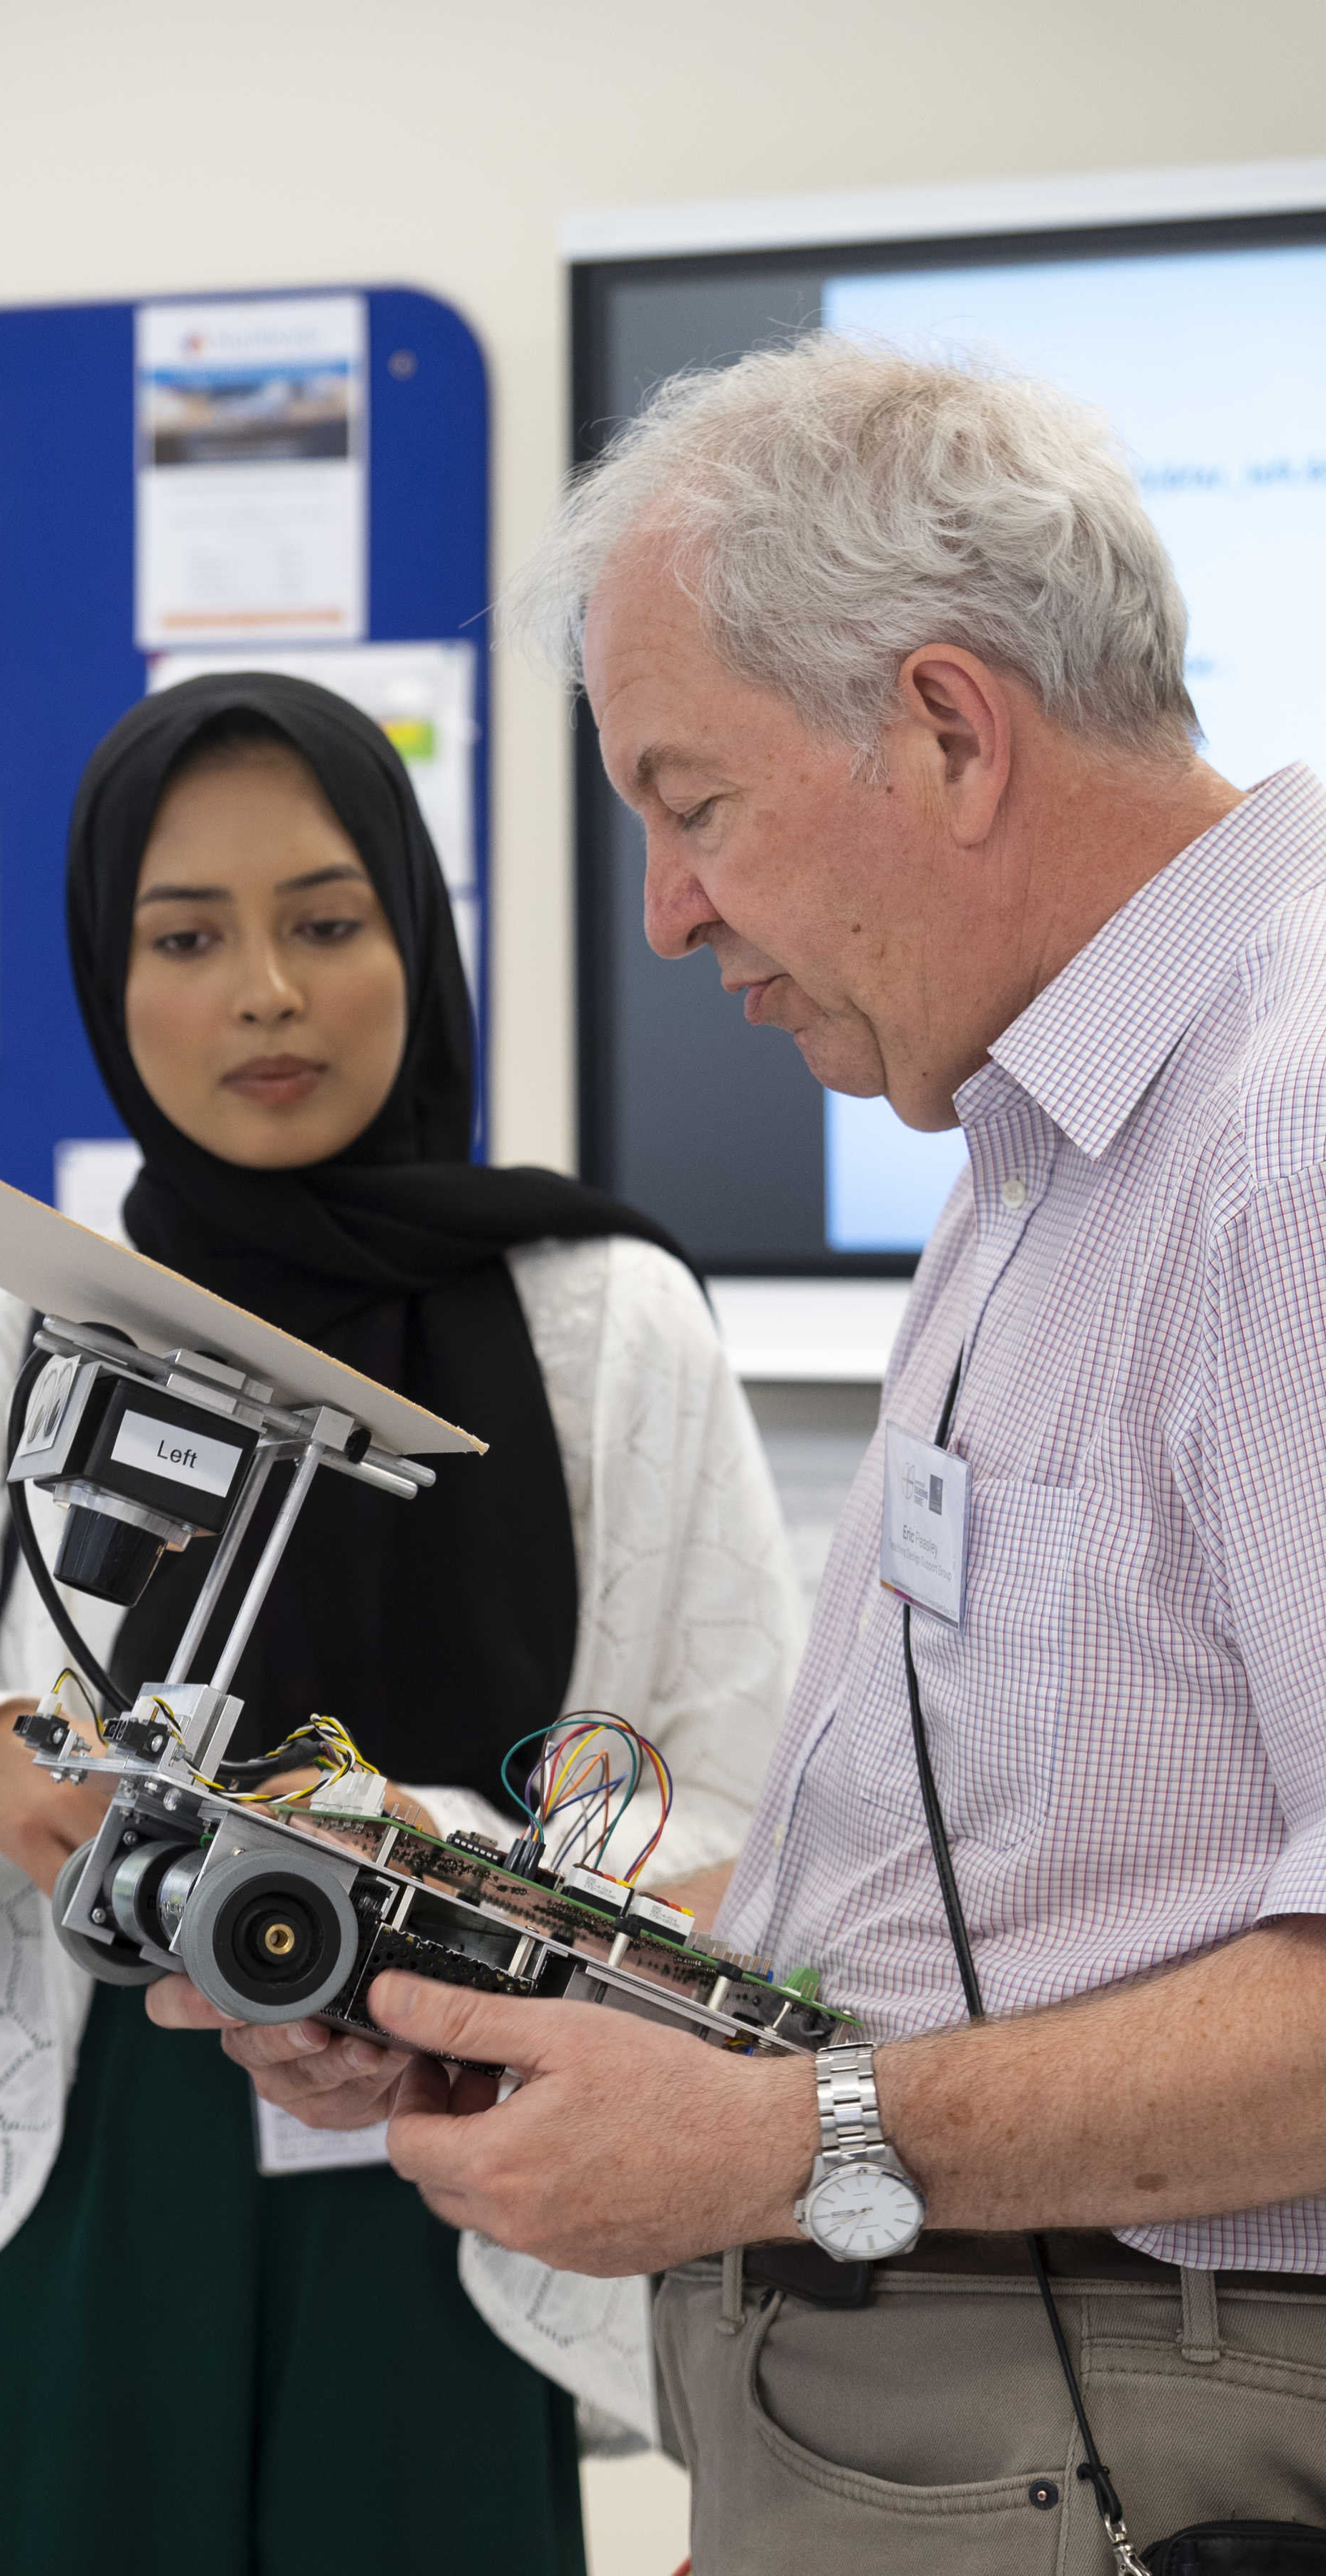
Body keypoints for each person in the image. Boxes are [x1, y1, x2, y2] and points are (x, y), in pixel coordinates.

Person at [192, 345, 1326, 2569]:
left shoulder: (1286, 1145)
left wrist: (787, 2145)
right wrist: (492, 1978)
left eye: (692, 803)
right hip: (955, 2397)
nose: (668, 914)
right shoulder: (1044, 1135)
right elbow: (1003, 1883)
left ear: (950, 731)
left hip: (1119, 2412)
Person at [0, 670, 801, 2576]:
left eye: (326, 921)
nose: (267, 993)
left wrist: (427, 1862)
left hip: (456, 2195)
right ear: (107, 978)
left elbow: (756, 1840)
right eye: (187, 937)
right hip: (47, 2228)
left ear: (417, 939)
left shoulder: (607, 1324)